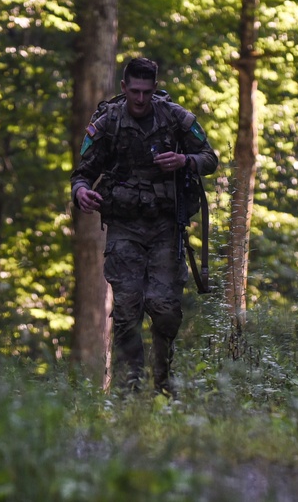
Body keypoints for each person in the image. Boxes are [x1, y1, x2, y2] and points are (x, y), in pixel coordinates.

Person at [71, 57, 218, 396]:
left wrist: (185, 161)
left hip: (166, 227)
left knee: (165, 310)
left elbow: (210, 159)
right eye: (134, 91)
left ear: (154, 89)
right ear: (124, 88)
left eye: (146, 92)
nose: (140, 99)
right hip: (124, 227)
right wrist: (81, 194)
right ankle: (127, 392)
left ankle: (164, 385)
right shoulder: (107, 123)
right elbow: (81, 173)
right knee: (126, 310)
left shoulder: (176, 118)